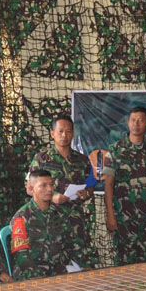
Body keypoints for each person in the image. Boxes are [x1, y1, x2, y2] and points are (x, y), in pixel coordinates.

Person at [29, 115, 99, 269]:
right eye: (60, 131)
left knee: (84, 266)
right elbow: (29, 188)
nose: (64, 135)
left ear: (73, 134)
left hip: (75, 221)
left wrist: (86, 194)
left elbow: (90, 185)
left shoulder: (82, 160)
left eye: (68, 132)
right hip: (50, 221)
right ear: (52, 133)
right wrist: (52, 198)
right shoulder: (41, 159)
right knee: (54, 265)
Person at [103, 106, 146, 265]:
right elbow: (109, 184)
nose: (136, 124)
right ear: (127, 123)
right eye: (133, 120)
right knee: (124, 261)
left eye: (141, 120)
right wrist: (110, 214)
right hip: (123, 217)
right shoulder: (115, 150)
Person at [10, 169, 70, 280]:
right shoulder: (21, 217)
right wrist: (38, 276)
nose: (49, 189)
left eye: (51, 185)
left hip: (58, 271)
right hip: (31, 274)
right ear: (32, 189)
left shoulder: (60, 214)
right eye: (43, 185)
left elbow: (71, 244)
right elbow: (21, 256)